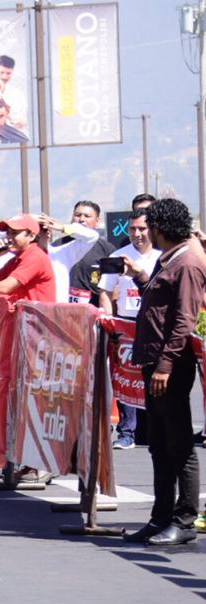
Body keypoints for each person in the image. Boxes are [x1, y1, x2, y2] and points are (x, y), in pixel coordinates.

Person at [121, 198, 203, 547]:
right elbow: (160, 304)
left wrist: (166, 364)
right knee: (158, 444)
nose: (145, 233)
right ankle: (160, 516)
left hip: (171, 365)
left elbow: (184, 318)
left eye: (149, 226)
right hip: (154, 361)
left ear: (160, 228)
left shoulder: (186, 262)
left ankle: (183, 520)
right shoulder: (168, 259)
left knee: (178, 443)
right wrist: (141, 278)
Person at [0, 213, 60, 485]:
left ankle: (41, 464)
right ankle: (27, 463)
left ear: (31, 236)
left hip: (39, 338)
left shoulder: (34, 256)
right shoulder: (18, 258)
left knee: (37, 400)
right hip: (22, 336)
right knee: (21, 401)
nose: (8, 236)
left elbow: (5, 287)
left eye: (15, 232)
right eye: (7, 231)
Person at [99, 209, 161, 450]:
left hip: (153, 326)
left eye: (142, 229)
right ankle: (127, 432)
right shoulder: (118, 256)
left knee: (152, 379)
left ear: (152, 229)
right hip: (125, 323)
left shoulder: (161, 256)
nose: (137, 234)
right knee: (125, 377)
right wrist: (108, 316)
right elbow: (105, 290)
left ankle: (154, 430)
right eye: (132, 229)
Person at [54, 200, 114, 305]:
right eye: (77, 215)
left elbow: (114, 285)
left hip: (93, 311)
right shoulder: (57, 246)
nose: (81, 219)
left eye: (87, 216)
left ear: (97, 221)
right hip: (62, 308)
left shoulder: (107, 250)